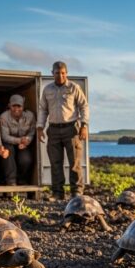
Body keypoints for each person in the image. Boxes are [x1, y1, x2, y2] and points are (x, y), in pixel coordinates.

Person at [37, 61, 89, 201]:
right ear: (52, 73)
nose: (60, 76)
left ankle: (76, 193)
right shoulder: (47, 90)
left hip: (71, 129)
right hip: (53, 129)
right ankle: (57, 193)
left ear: (66, 73)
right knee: (55, 162)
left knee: (74, 162)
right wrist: (40, 127)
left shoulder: (73, 87)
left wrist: (84, 125)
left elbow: (84, 106)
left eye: (63, 73)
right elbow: (43, 109)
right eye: (57, 73)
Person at [0, 94, 35, 185]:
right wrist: (19, 140)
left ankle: (22, 179)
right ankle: (11, 181)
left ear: (23, 106)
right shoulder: (4, 117)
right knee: (8, 154)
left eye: (19, 106)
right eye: (13, 106)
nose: (16, 109)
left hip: (23, 143)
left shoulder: (30, 116)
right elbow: (4, 136)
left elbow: (32, 132)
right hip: (8, 143)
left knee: (26, 160)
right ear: (9, 106)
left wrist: (27, 140)